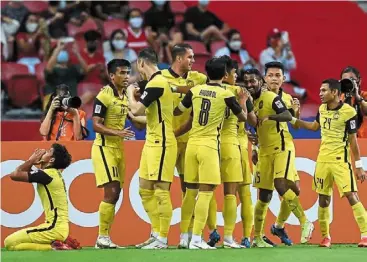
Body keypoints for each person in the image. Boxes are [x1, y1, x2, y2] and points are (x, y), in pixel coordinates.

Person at [173, 57, 249, 249]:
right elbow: (243, 118)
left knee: (190, 192)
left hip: (192, 144)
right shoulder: (227, 94)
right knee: (211, 193)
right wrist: (243, 101)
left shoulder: (195, 91)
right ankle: (202, 239)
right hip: (212, 146)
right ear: (225, 75)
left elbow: (178, 111)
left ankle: (185, 236)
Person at [293, 78, 367, 248]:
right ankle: (326, 237)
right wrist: (293, 120)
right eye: (320, 90)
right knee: (323, 199)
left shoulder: (348, 112)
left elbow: (353, 141)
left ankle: (365, 234)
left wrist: (358, 166)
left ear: (334, 92)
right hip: (322, 161)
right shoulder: (321, 108)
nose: (320, 93)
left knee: (351, 196)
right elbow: (314, 127)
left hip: (340, 161)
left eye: (324, 90)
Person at [247, 62, 313, 248]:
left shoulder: (286, 98)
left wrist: (297, 112)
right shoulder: (254, 97)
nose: (274, 78)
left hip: (283, 145)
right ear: (264, 78)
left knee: (290, 187)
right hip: (264, 150)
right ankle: (259, 236)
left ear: (284, 78)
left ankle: (284, 224)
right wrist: (254, 148)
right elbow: (253, 125)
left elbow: (294, 123)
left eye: (278, 75)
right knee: (265, 195)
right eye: (271, 75)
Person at [127, 48, 177, 249]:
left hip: (163, 143)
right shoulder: (157, 83)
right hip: (152, 140)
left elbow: (137, 108)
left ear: (141, 63)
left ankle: (163, 238)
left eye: (137, 67)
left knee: (160, 190)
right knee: (145, 189)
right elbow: (148, 117)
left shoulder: (157, 83)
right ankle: (156, 233)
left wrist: (130, 94)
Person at [91, 59, 135, 248]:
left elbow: (134, 119)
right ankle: (102, 237)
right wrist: (119, 133)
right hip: (103, 148)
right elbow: (96, 125)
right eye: (122, 73)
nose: (126, 77)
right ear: (112, 76)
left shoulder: (126, 95)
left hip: (119, 149)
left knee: (116, 194)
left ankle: (105, 237)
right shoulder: (104, 95)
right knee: (112, 192)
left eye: (128, 73)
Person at [217, 56, 257, 248]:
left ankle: (208, 233)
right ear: (227, 73)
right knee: (240, 192)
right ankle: (239, 237)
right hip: (235, 144)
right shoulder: (238, 91)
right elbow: (251, 120)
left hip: (208, 142)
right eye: (234, 73)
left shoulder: (203, 88)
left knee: (204, 191)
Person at [4, 144, 72, 251]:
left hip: (53, 228)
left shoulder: (47, 174)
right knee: (14, 244)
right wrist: (32, 163)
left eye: (48, 151)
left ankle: (55, 247)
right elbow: (26, 173)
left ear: (51, 159)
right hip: (57, 228)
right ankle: (57, 246)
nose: (44, 151)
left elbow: (15, 175)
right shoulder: (52, 173)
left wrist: (30, 160)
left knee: (10, 242)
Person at [43, 40, 88, 109]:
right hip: (57, 104)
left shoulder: (73, 69)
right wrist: (58, 49)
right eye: (60, 51)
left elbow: (86, 70)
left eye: (64, 51)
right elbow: (48, 68)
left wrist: (77, 53)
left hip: (71, 104)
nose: (62, 52)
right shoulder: (53, 70)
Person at [340, 66, 367, 138]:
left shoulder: (365, 96)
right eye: (345, 81)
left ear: (359, 81)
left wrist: (357, 97)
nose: (348, 83)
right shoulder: (339, 99)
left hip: (364, 141)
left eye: (351, 79)